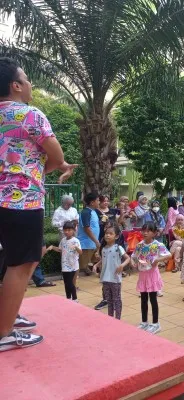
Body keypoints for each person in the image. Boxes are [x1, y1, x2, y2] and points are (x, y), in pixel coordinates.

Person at [0, 58, 78, 351]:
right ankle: (4, 332)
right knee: (22, 264)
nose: (31, 84)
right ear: (16, 86)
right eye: (27, 78)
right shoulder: (30, 114)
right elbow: (55, 157)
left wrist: (38, 168)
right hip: (21, 203)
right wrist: (55, 166)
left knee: (15, 261)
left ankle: (6, 316)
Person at [131, 222, 171, 334]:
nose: (145, 233)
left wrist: (158, 260)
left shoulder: (158, 245)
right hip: (142, 275)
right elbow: (133, 256)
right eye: (143, 230)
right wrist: (133, 263)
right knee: (143, 299)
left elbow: (168, 255)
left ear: (154, 233)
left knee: (153, 299)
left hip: (152, 275)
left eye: (148, 231)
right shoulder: (140, 245)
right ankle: (144, 322)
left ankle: (155, 324)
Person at [93, 224, 130, 320]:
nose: (107, 235)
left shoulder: (118, 248)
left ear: (116, 236)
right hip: (105, 278)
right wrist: (97, 264)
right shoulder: (104, 249)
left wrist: (122, 265)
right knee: (109, 300)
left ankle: (118, 319)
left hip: (115, 279)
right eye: (106, 233)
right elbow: (104, 260)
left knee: (116, 299)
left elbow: (127, 258)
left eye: (110, 233)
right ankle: (110, 318)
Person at [46, 222, 82, 302]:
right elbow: (60, 249)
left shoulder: (75, 241)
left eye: (69, 230)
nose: (66, 232)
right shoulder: (63, 240)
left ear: (73, 230)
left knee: (70, 283)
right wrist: (52, 247)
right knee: (66, 283)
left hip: (73, 265)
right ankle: (68, 298)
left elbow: (80, 252)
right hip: (65, 265)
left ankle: (75, 298)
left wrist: (76, 247)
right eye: (65, 230)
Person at [78, 193, 100, 280]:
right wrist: (96, 241)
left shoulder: (93, 211)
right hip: (86, 243)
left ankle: (102, 276)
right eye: (97, 200)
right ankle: (73, 282)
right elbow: (86, 228)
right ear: (92, 202)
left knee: (98, 259)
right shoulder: (85, 212)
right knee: (80, 264)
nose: (99, 202)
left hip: (92, 243)